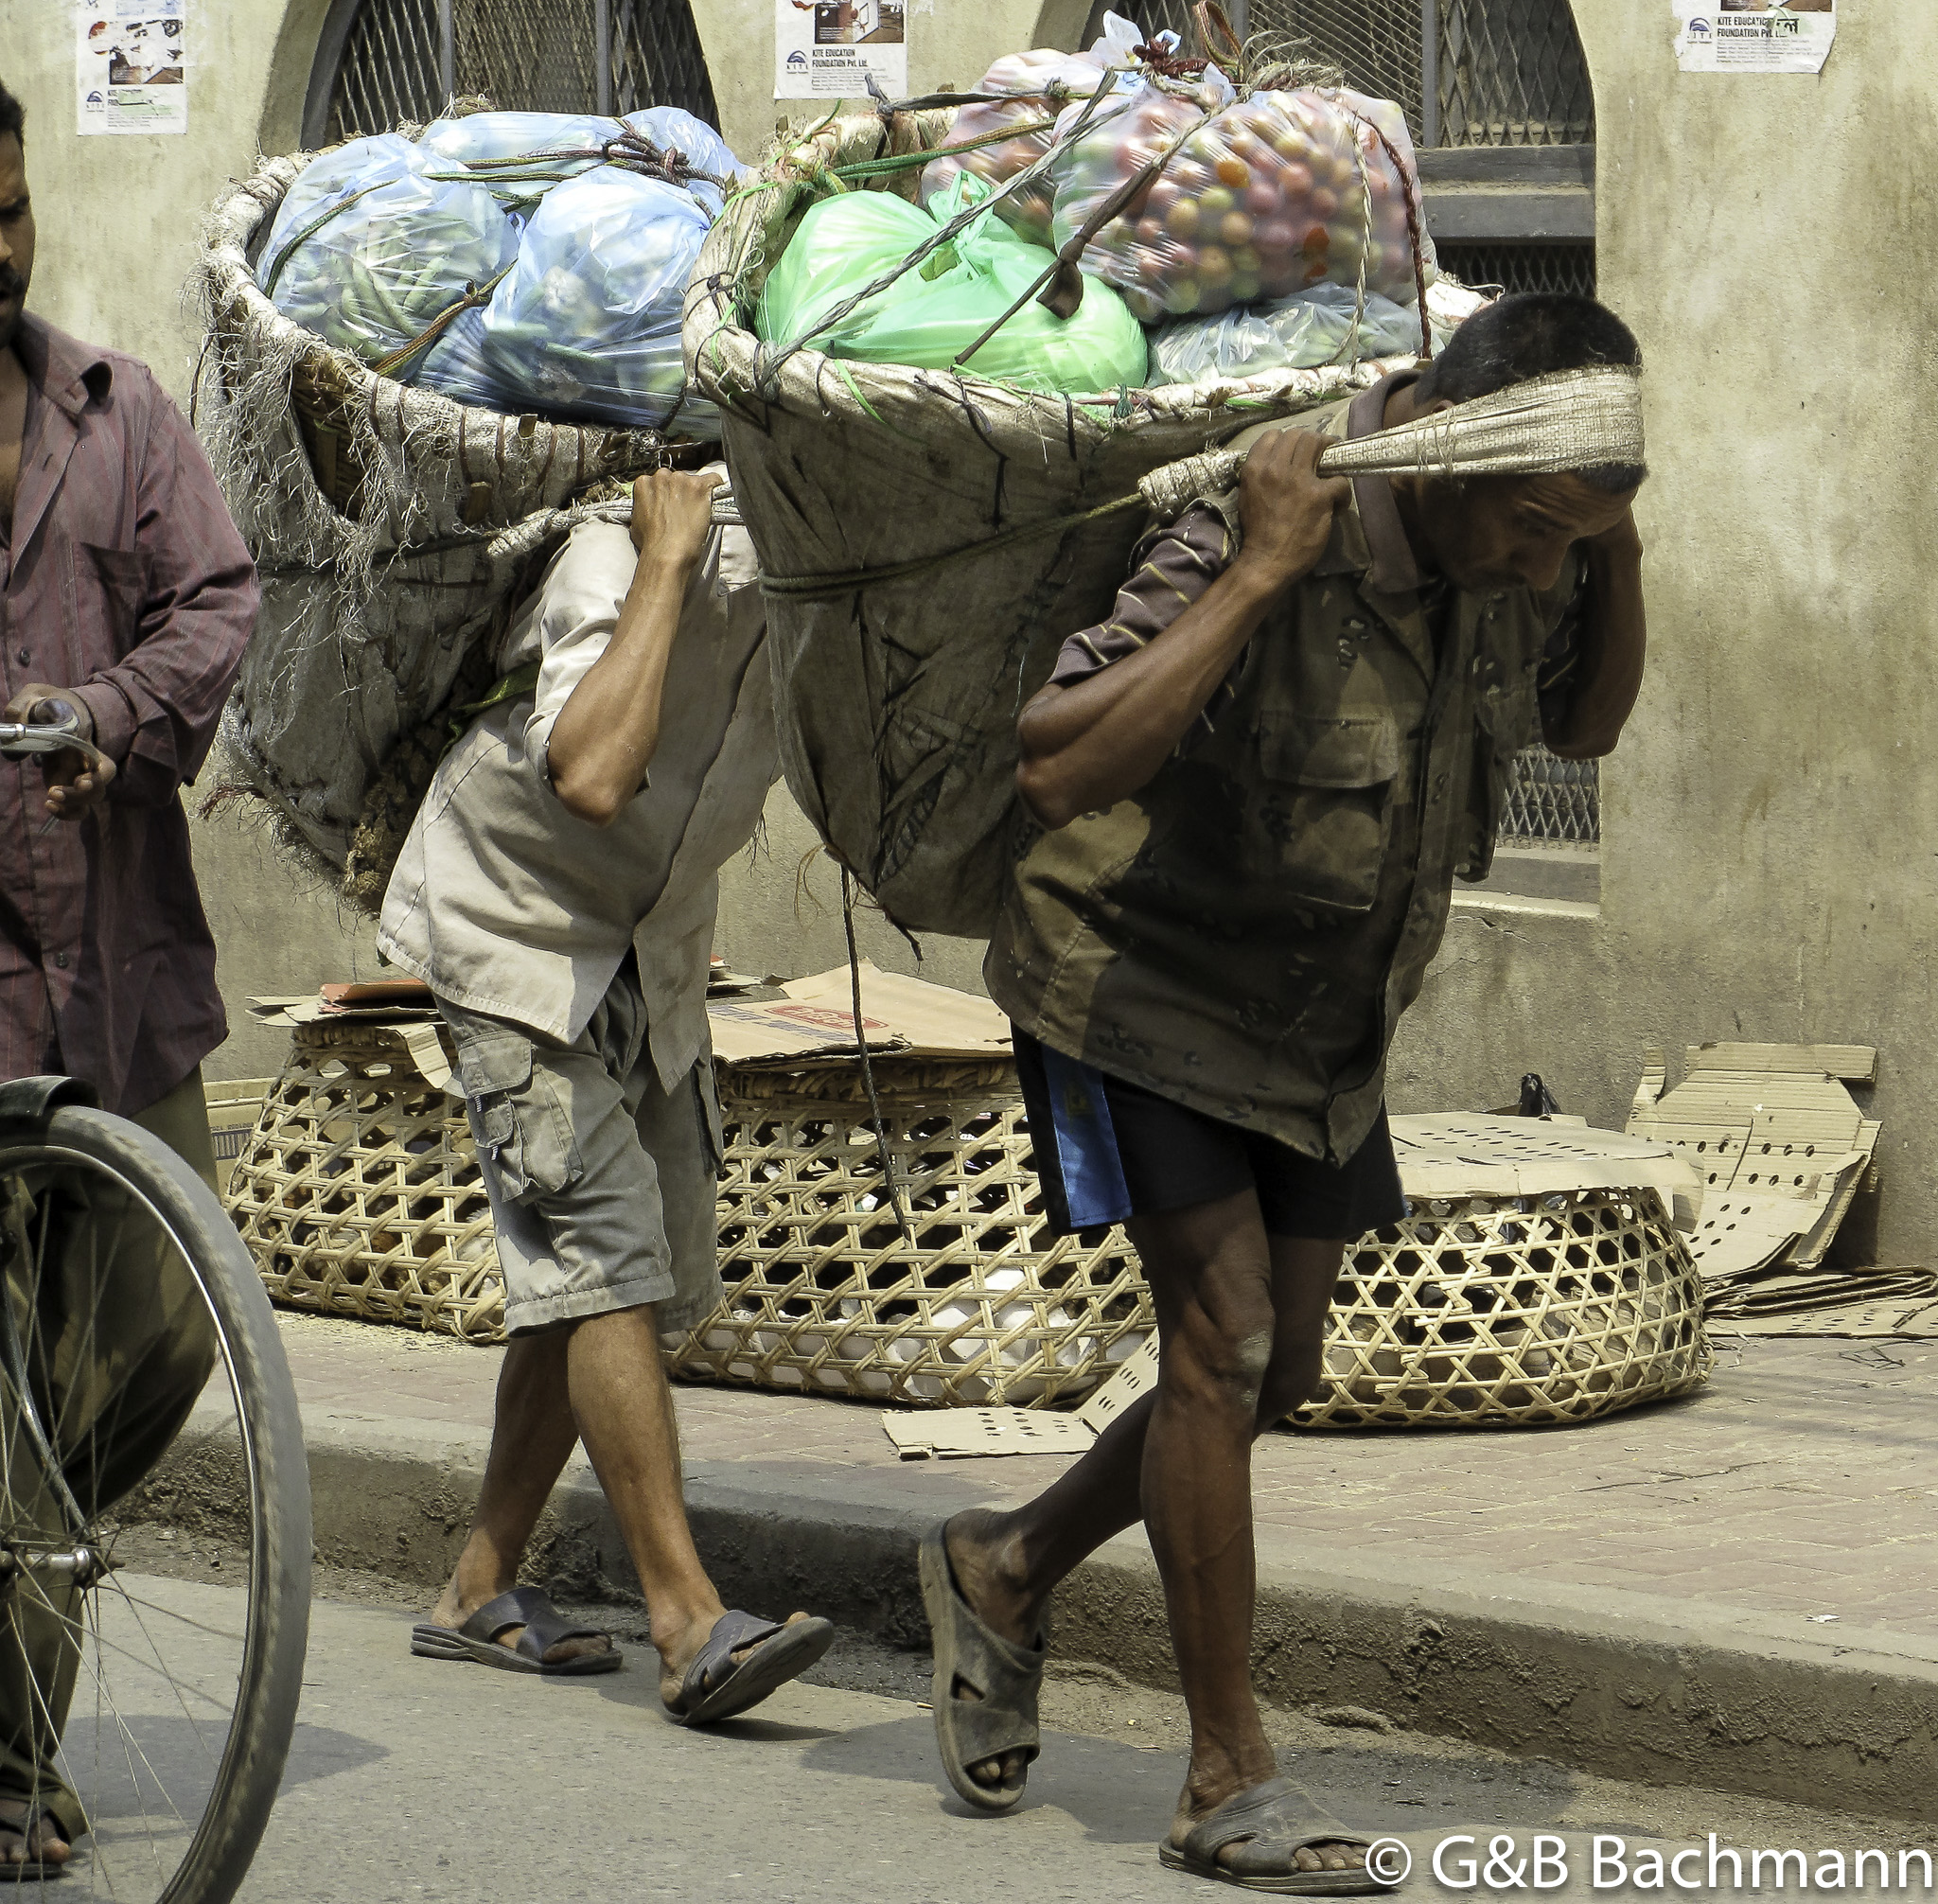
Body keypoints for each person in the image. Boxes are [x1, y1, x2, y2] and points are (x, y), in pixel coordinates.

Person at [926, 292, 1649, 1893]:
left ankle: (1003, 1563)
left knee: (1277, 1371)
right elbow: (1053, 763)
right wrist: (1259, 571)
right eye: (1531, 530)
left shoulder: (1519, 552)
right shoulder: (1252, 523)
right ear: (1448, 460)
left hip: (1322, 1016)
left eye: (1565, 544)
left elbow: (1583, 725)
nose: (1542, 568)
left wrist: (1616, 538)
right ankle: (1223, 1777)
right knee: (1226, 1339)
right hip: (1140, 981)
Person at [379, 465, 836, 1719]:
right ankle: (686, 1619)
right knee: (606, 1257)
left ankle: (474, 1590)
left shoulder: (826, 572)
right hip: (516, 933)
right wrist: (667, 567)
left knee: (594, 1281)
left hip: (652, 948)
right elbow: (590, 770)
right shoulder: (622, 544)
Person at [0, 76, 260, 1876]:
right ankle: (16, 1766)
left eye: (7, 211)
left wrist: (107, 715)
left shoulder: (115, 413)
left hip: (115, 987)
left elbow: (219, 603)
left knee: (167, 1328)